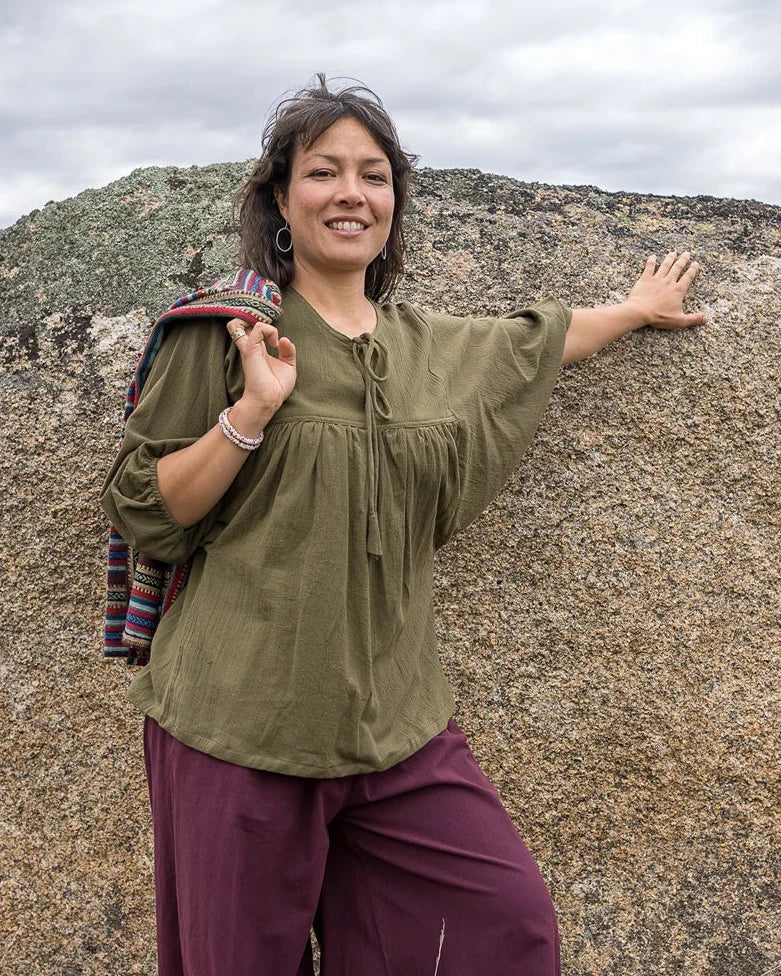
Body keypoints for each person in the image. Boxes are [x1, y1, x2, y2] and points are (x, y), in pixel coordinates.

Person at [100, 75, 706, 976]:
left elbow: (534, 341)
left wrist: (634, 310)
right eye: (323, 172)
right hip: (236, 728)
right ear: (279, 198)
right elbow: (147, 506)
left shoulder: (427, 344)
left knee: (502, 925)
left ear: (394, 203)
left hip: (397, 729)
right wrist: (251, 415)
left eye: (374, 175)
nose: (351, 192)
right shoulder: (229, 333)